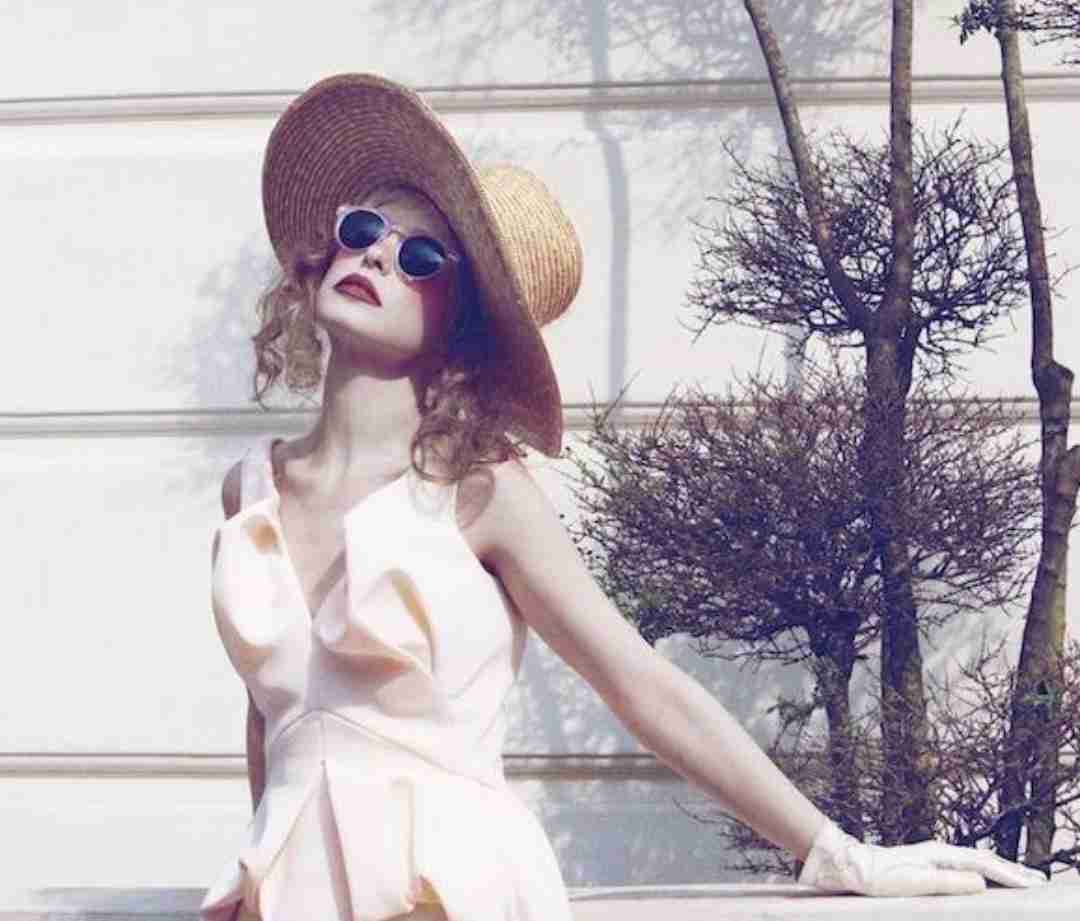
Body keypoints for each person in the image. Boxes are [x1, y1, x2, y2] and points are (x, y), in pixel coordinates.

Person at [200, 73, 1046, 921]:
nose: (377, 254)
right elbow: (273, 720)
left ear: (462, 323)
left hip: (446, 892)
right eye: (362, 228)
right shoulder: (251, 493)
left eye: (421, 256)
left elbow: (639, 683)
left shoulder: (480, 492)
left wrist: (836, 849)